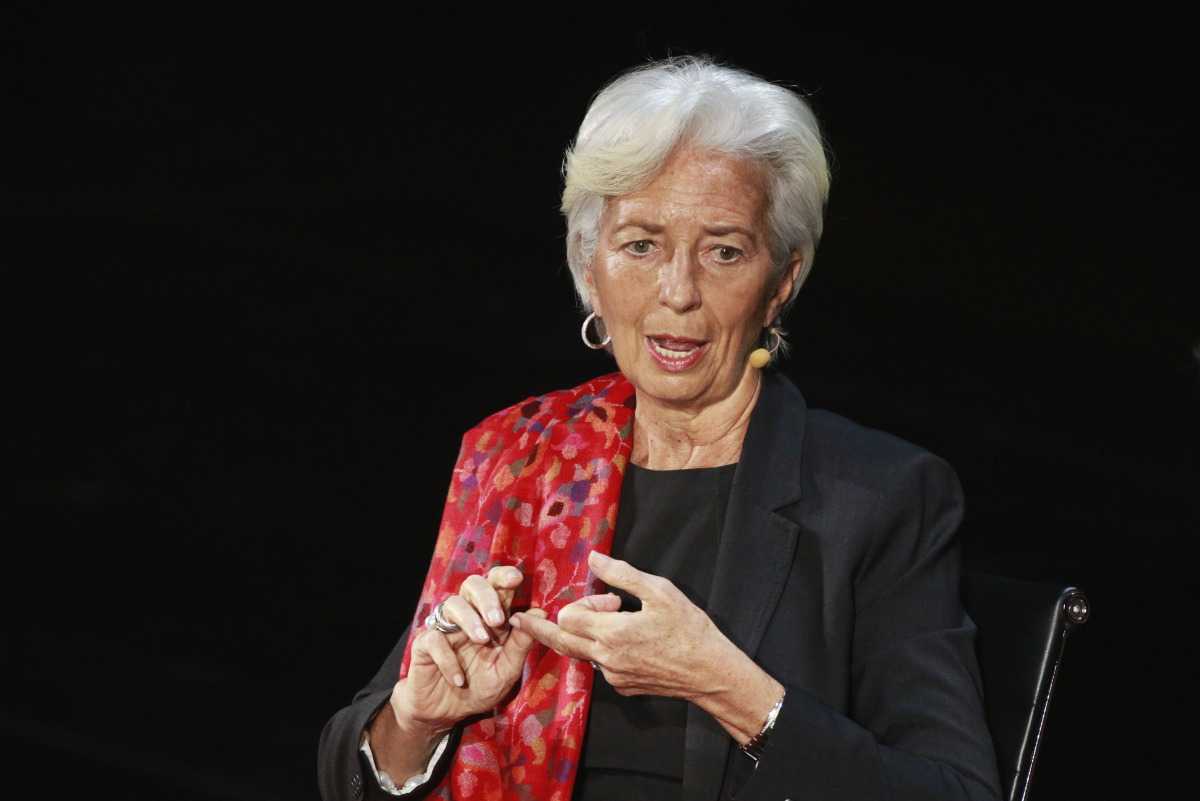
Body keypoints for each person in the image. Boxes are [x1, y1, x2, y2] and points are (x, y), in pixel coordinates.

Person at [319, 57, 1001, 801]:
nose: (677, 292)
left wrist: (730, 688)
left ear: (781, 282)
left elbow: (955, 791)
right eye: (641, 245)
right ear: (591, 264)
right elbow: (348, 769)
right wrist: (419, 720)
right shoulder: (521, 459)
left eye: (724, 251)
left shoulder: (878, 497)